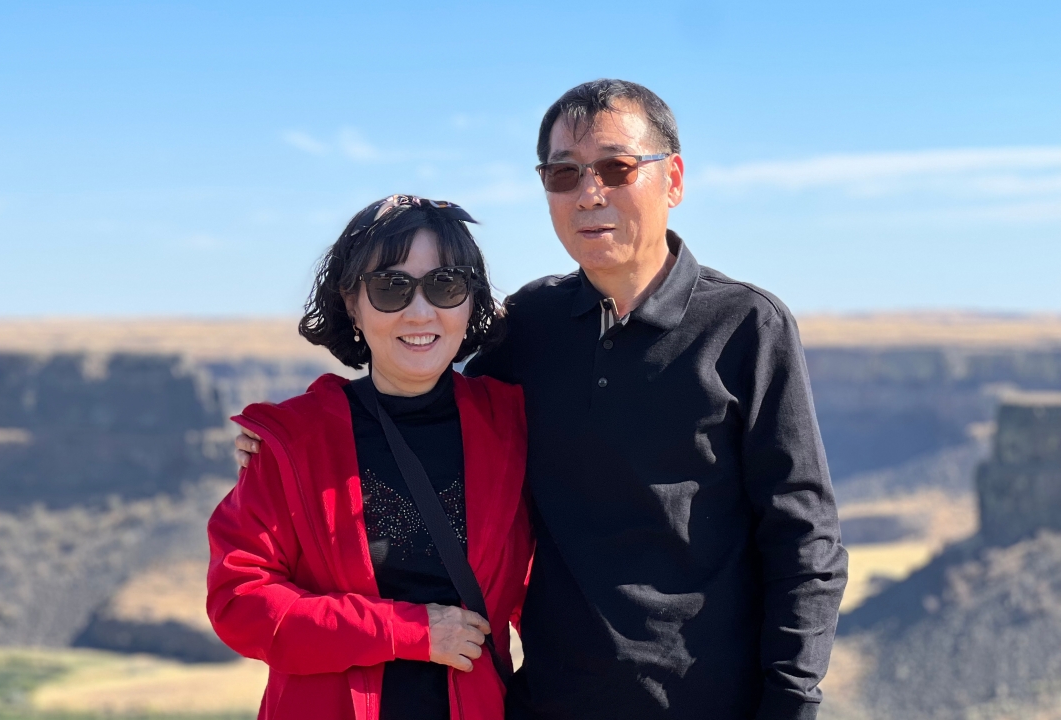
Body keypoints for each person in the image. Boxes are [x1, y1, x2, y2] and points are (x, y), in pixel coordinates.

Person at [239, 80, 849, 720]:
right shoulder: (531, 324)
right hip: (548, 704)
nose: (589, 193)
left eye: (616, 168)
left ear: (672, 180)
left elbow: (805, 541)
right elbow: (421, 390)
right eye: (564, 174)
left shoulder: (747, 327)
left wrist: (792, 701)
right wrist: (285, 441)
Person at [208, 195, 533, 720]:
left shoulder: (513, 427)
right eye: (391, 288)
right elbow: (239, 601)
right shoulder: (296, 442)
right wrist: (408, 632)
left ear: (471, 300)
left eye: (446, 284)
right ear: (352, 303)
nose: (420, 312)